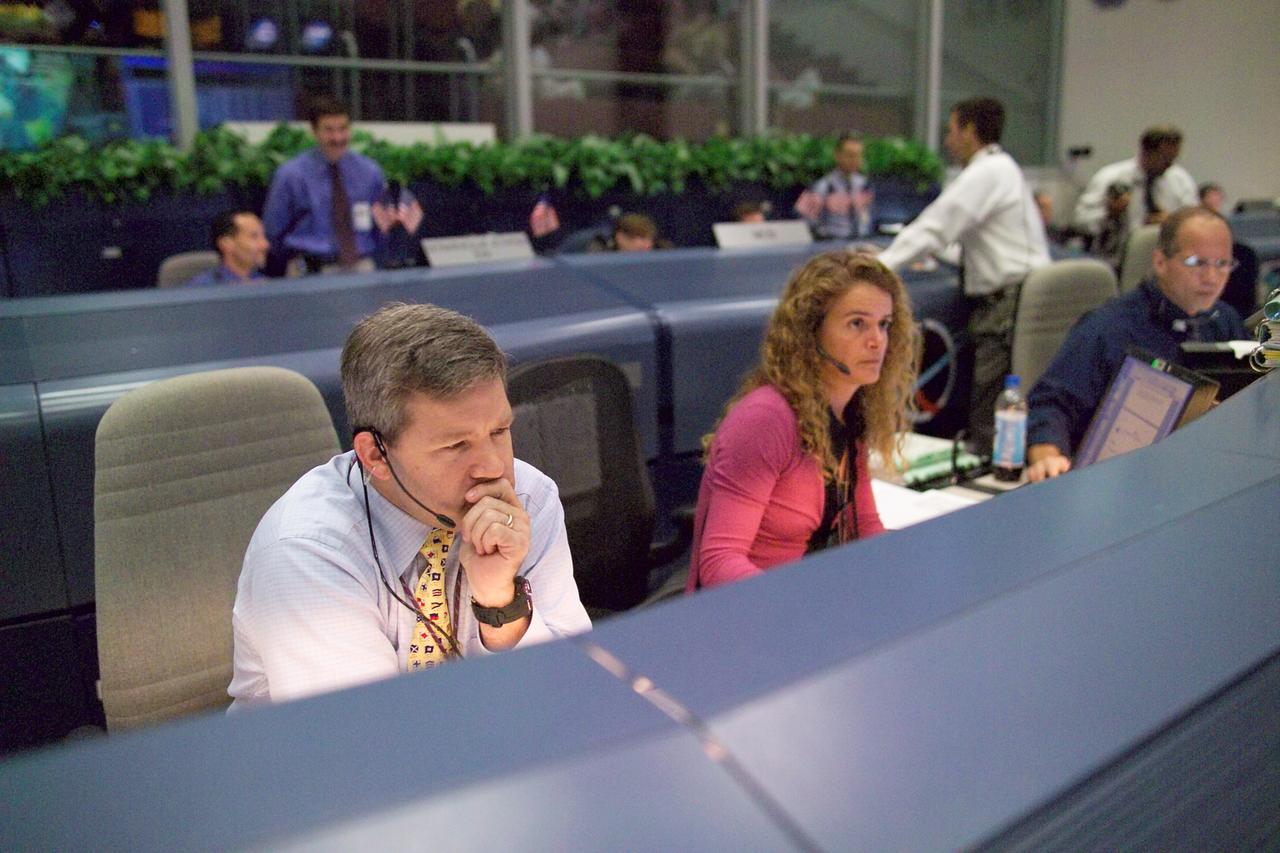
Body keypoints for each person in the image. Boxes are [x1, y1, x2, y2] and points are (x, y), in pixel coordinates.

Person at [229, 303, 591, 706]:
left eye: (499, 430)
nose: (494, 467)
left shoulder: (526, 499)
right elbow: (373, 746)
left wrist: (502, 606)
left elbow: (571, 688)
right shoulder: (307, 553)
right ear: (375, 455)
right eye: (456, 445)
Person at [686, 251, 918, 591]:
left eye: (884, 324)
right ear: (812, 331)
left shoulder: (849, 413)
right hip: (751, 620)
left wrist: (908, 573)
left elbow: (865, 526)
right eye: (857, 323)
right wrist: (804, 606)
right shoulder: (766, 420)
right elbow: (720, 561)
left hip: (806, 609)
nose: (877, 340)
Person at [876, 96, 1050, 452]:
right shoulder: (1003, 168)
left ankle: (988, 474)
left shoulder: (987, 172)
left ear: (969, 131)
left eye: (951, 130)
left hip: (1008, 303)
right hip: (1018, 294)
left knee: (991, 404)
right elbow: (971, 237)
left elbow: (936, 226)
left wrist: (882, 264)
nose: (947, 139)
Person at [1025, 206, 1248, 482]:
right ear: (1160, 262)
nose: (1212, 278)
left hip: (1196, 475)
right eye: (1196, 263)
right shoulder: (1109, 328)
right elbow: (1051, 403)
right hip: (1115, 480)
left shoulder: (1224, 321)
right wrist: (1047, 455)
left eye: (1222, 264)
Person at [261, 94, 415, 274]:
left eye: (343, 129)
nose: (337, 137)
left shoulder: (369, 172)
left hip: (361, 266)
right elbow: (273, 231)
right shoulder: (291, 175)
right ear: (314, 130)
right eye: (329, 130)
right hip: (309, 270)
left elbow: (382, 225)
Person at [1072, 125, 1197, 239]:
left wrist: (1172, 222)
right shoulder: (1110, 177)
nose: (1169, 164)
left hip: (1165, 252)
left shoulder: (1180, 180)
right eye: (1165, 158)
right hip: (1118, 253)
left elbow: (1195, 223)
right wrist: (1110, 213)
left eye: (1173, 158)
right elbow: (1081, 221)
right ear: (1146, 152)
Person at [797, 133, 875, 240]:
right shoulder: (822, 186)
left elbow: (868, 215)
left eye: (858, 155)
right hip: (832, 244)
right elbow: (804, 217)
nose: (854, 160)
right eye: (850, 155)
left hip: (861, 243)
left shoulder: (865, 185)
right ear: (837, 155)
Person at [183, 210, 269, 287]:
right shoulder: (202, 290)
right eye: (254, 237)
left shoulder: (267, 286)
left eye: (263, 236)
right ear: (226, 244)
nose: (265, 245)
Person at [586, 212, 669, 252]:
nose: (648, 245)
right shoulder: (601, 250)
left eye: (650, 239)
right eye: (642, 238)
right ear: (620, 238)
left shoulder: (662, 250)